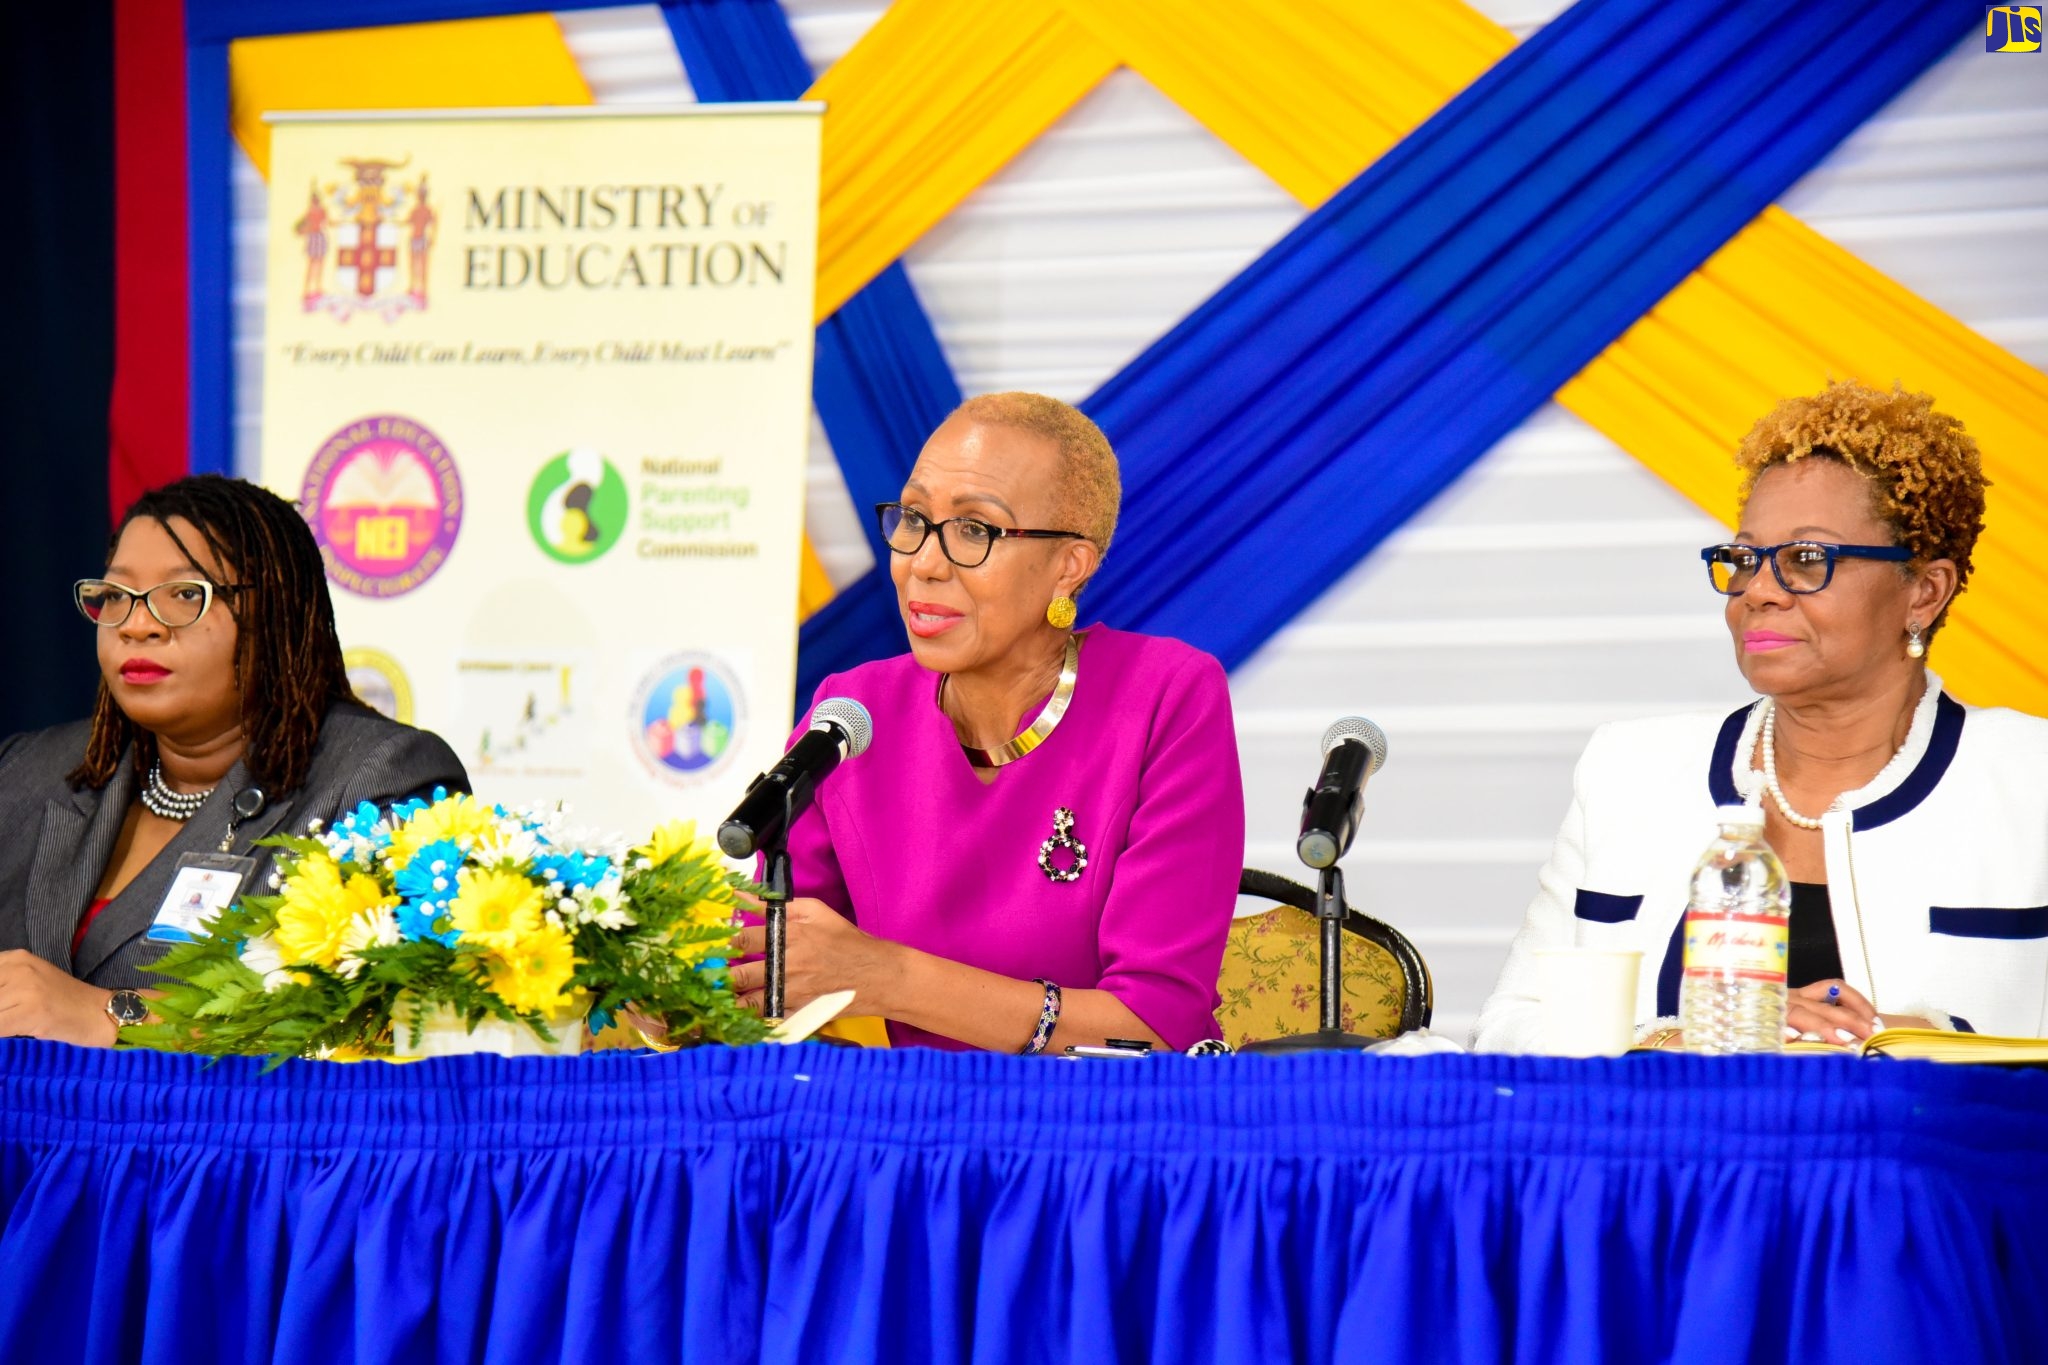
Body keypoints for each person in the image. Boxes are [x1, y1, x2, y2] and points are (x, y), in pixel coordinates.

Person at [1475, 380, 2048, 1051]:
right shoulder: (1628, 772)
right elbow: (1507, 1028)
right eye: (1745, 559)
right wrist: (1676, 1040)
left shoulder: (2028, 779)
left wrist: (1938, 1048)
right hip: (1672, 1155)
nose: (1759, 592)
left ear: (1924, 591)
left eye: (1808, 560)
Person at [727, 393, 1245, 1052]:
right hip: (924, 1137)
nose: (924, 562)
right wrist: (662, 982)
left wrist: (887, 975)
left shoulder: (1166, 697)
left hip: (1119, 1133)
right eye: (913, 517)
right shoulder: (853, 715)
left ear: (1069, 567)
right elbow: (754, 961)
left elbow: (1151, 1026)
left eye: (976, 530)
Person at [0, 475, 468, 1047]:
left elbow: (389, 1017)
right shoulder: (27, 772)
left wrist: (114, 1015)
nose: (138, 624)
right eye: (117, 596)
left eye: (184, 595)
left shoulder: (378, 782)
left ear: (275, 613)